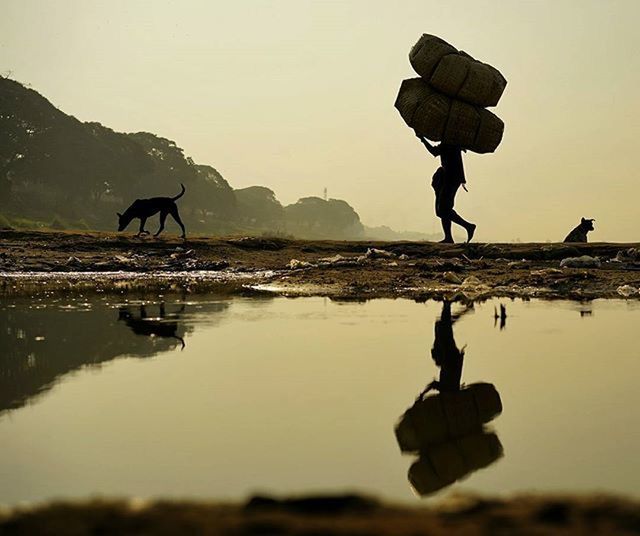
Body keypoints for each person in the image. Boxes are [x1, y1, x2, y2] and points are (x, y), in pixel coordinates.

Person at [415, 132, 476, 243]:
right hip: (450, 177)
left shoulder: (449, 143)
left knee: (443, 209)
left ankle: (468, 226)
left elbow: (434, 152)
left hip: (451, 178)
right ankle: (449, 237)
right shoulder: (452, 142)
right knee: (442, 210)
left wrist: (422, 139)